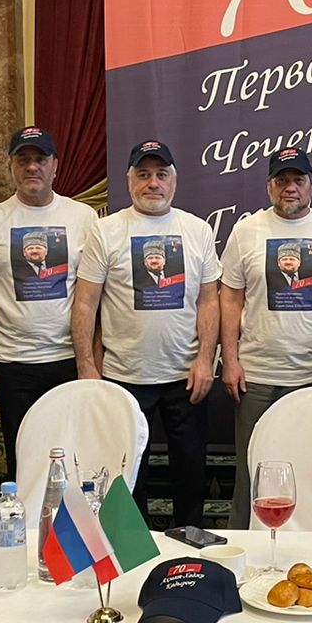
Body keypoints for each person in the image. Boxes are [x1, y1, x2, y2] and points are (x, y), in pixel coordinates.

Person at [72, 140, 220, 527]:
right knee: (126, 472)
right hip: (123, 376)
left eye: (161, 174)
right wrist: (86, 366)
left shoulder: (197, 230)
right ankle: (134, 546)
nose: (153, 183)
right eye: (143, 174)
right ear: (129, 181)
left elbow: (209, 300)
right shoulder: (105, 231)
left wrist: (206, 359)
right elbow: (85, 302)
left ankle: (189, 537)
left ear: (174, 180)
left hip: (185, 376)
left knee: (190, 469)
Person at [0, 126, 98, 481]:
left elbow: (98, 295)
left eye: (40, 159)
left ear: (55, 166)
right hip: (14, 363)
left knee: (77, 460)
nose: (32, 167)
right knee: (25, 463)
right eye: (23, 160)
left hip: (69, 360)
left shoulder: (84, 218)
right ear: (11, 166)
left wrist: (92, 361)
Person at [219, 147, 312, 527]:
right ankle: (244, 549)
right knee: (252, 473)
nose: (290, 187)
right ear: (269, 186)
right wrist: (230, 360)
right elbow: (229, 298)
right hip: (257, 377)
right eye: (281, 180)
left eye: (298, 179)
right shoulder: (246, 232)